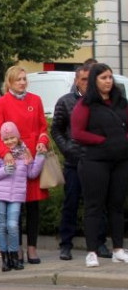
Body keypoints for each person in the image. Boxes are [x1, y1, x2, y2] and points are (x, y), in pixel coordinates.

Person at [0, 66, 50, 263]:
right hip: (14, 159)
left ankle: (32, 247)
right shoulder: (1, 103)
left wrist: (42, 142)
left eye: (24, 79)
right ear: (9, 82)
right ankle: (17, 248)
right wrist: (5, 153)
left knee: (33, 205)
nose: (23, 82)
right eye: (18, 79)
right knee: (15, 206)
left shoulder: (35, 100)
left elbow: (43, 127)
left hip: (31, 159)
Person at [70, 63, 128, 268]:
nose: (108, 81)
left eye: (110, 77)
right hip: (95, 162)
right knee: (94, 207)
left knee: (117, 206)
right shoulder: (85, 104)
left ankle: (118, 250)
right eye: (103, 77)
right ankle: (92, 252)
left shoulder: (121, 102)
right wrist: (103, 141)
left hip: (120, 161)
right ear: (95, 80)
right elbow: (77, 133)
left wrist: (122, 141)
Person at [52, 65, 108, 261]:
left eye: (89, 79)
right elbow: (56, 129)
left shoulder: (101, 102)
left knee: (97, 204)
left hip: (96, 161)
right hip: (74, 162)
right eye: (83, 79)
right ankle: (66, 244)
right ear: (76, 81)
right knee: (71, 203)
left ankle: (99, 243)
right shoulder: (65, 101)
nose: (87, 83)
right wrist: (67, 148)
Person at [0, 122, 45, 272]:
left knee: (13, 225)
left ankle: (15, 256)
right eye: (6, 139)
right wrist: (5, 170)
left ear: (18, 137)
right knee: (2, 226)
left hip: (17, 196)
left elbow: (31, 173)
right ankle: (5, 258)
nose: (10, 141)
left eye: (12, 137)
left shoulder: (25, 153)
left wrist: (40, 157)